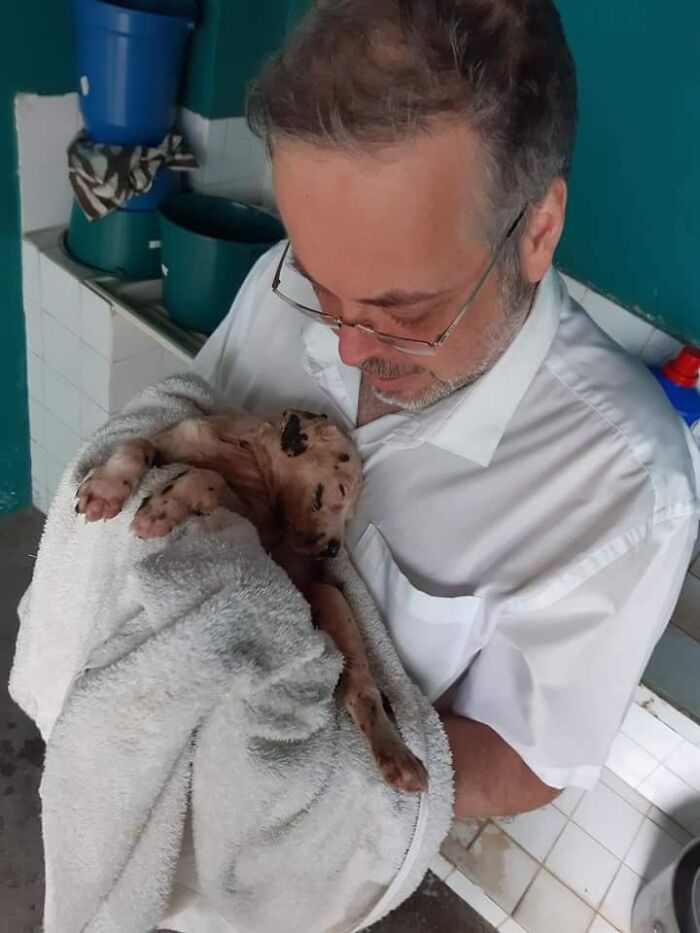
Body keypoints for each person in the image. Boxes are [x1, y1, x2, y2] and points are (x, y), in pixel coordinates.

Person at [193, 0, 700, 819]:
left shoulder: (623, 487)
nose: (350, 347)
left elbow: (531, 753)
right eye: (323, 286)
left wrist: (308, 774)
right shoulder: (280, 284)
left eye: (407, 311)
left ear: (538, 229)